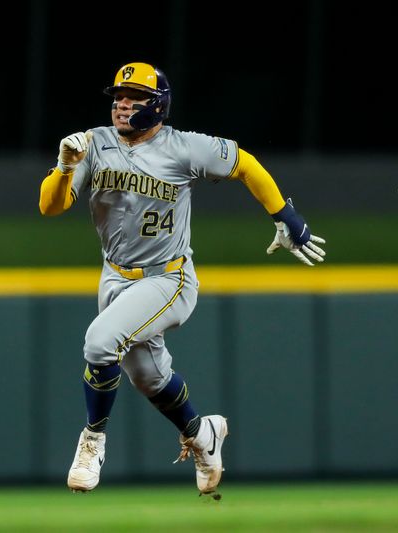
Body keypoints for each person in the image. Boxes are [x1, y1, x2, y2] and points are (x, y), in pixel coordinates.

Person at [38, 62, 326, 495]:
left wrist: (285, 215)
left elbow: (245, 164)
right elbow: (50, 207)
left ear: (158, 105)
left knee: (100, 343)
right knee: (149, 378)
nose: (122, 104)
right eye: (118, 97)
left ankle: (93, 439)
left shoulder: (184, 147)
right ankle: (201, 432)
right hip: (115, 278)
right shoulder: (92, 144)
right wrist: (64, 166)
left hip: (168, 278)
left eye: (134, 97)